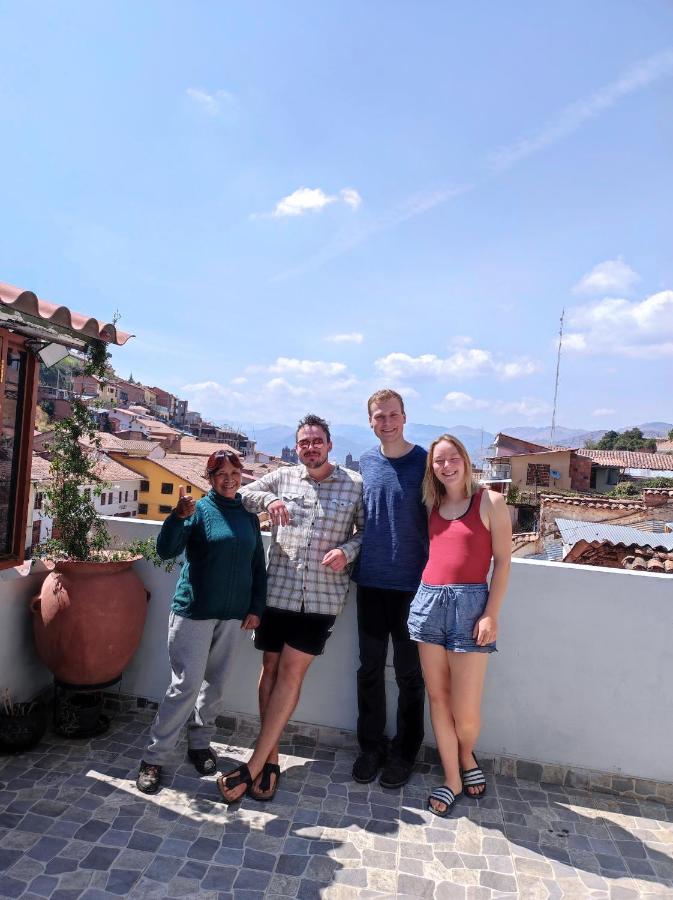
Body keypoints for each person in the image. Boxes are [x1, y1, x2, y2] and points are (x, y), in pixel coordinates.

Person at [217, 413, 363, 803]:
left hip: (322, 597)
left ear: (329, 445)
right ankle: (273, 758)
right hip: (278, 590)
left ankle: (253, 765)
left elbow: (367, 532)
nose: (310, 447)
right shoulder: (282, 476)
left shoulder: (354, 485)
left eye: (317, 441)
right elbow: (244, 495)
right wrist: (271, 499)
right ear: (297, 447)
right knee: (270, 670)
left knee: (291, 676)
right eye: (304, 442)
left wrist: (347, 551)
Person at [136, 450, 266, 795]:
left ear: (242, 475)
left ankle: (199, 744)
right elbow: (165, 550)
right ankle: (154, 758)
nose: (228, 479)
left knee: (215, 686)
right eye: (220, 473)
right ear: (209, 478)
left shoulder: (248, 517)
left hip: (233, 615)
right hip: (193, 612)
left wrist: (256, 607)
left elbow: (257, 567)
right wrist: (177, 517)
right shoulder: (197, 511)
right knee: (185, 687)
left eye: (234, 472)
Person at [407, 434, 511, 817]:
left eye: (453, 458)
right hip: (428, 602)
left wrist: (490, 613)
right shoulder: (432, 504)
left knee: (465, 710)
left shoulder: (491, 502)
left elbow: (503, 562)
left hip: (470, 607)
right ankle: (452, 777)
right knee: (437, 698)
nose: (446, 466)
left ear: (466, 461)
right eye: (438, 461)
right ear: (432, 469)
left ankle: (466, 754)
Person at [351, 389, 429, 788]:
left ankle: (404, 752)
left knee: (409, 675)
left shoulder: (425, 463)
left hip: (414, 589)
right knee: (368, 670)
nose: (387, 422)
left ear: (404, 417)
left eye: (392, 415)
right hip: (369, 583)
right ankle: (371, 747)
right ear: (370, 422)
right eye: (379, 417)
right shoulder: (365, 462)